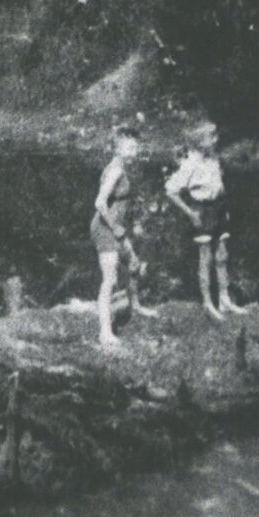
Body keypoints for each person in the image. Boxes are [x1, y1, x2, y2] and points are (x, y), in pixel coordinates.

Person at [165, 120, 247, 321]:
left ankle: (224, 299)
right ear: (200, 142)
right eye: (212, 137)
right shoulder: (190, 164)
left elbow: (219, 184)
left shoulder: (214, 158)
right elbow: (171, 191)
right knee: (205, 258)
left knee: (222, 255)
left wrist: (224, 209)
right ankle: (208, 302)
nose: (216, 139)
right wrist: (190, 213)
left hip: (218, 208)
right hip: (202, 210)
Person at [91, 124, 152, 349]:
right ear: (118, 149)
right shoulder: (115, 170)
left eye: (136, 147)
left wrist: (127, 226)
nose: (134, 151)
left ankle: (135, 305)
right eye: (130, 148)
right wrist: (115, 228)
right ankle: (105, 332)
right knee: (110, 279)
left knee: (133, 262)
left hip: (117, 225)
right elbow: (99, 202)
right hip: (105, 226)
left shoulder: (122, 168)